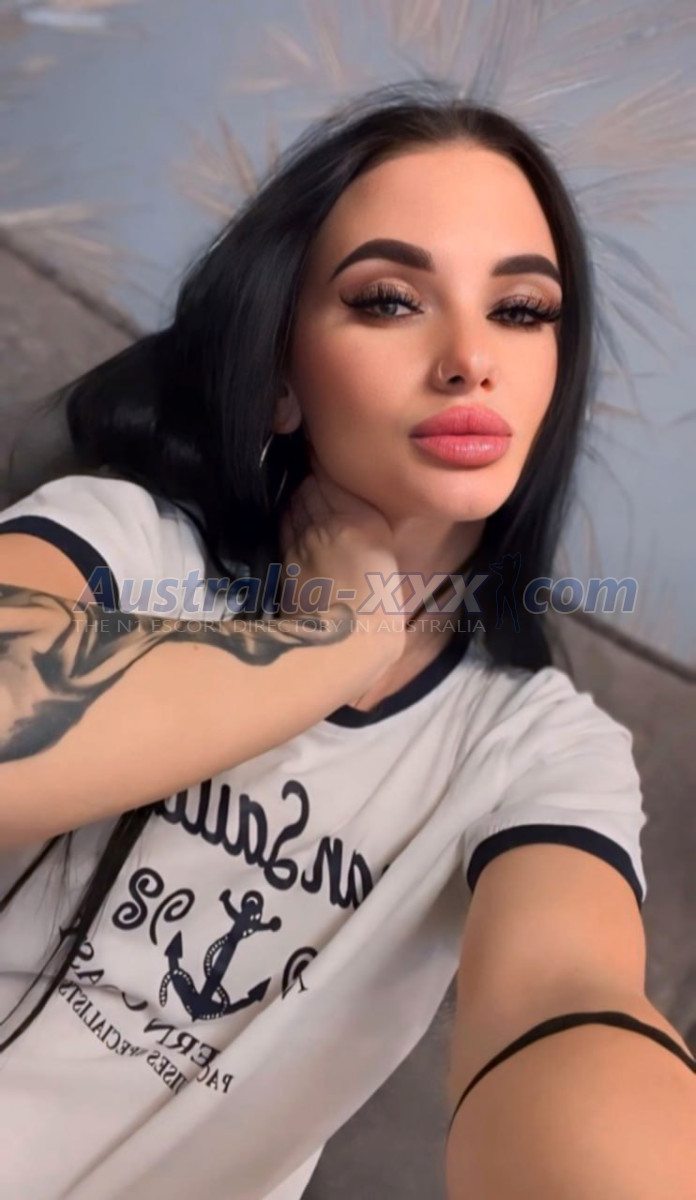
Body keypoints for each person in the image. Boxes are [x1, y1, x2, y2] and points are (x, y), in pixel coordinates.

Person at [0, 79, 681, 1199]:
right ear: (281, 377)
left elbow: (566, 1000)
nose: (471, 359)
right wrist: (336, 636)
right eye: (389, 300)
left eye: (521, 311)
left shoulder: (542, 754)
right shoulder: (120, 542)